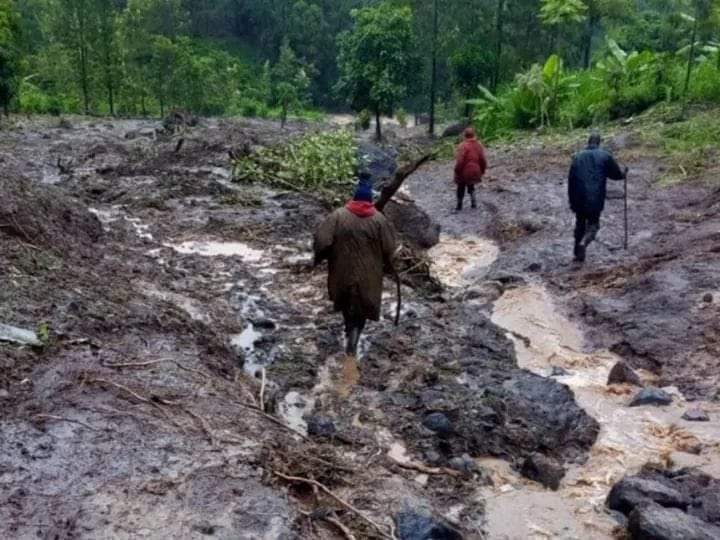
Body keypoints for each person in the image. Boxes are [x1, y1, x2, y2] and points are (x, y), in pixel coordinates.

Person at [313, 173, 397, 356]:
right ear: (370, 200)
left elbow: (322, 239)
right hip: (369, 275)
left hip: (342, 272)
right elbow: (390, 248)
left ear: (354, 198)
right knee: (363, 307)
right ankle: (354, 339)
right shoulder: (379, 220)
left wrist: (319, 257)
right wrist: (389, 265)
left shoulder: (338, 216)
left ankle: (349, 333)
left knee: (345, 303)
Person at [568, 131, 628, 262]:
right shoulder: (605, 156)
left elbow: (571, 180)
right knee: (594, 224)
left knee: (580, 223)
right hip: (595, 197)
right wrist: (624, 173)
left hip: (579, 197)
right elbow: (616, 175)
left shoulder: (577, 157)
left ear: (588, 142)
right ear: (599, 143)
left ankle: (577, 254)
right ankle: (584, 243)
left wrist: (571, 201)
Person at [454, 127, 487, 211]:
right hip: (475, 170)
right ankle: (473, 202)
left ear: (465, 135)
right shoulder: (478, 145)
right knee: (471, 184)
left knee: (461, 186)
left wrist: (456, 170)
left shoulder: (463, 145)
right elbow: (483, 159)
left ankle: (459, 205)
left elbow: (460, 160)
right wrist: (482, 170)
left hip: (465, 170)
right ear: (474, 134)